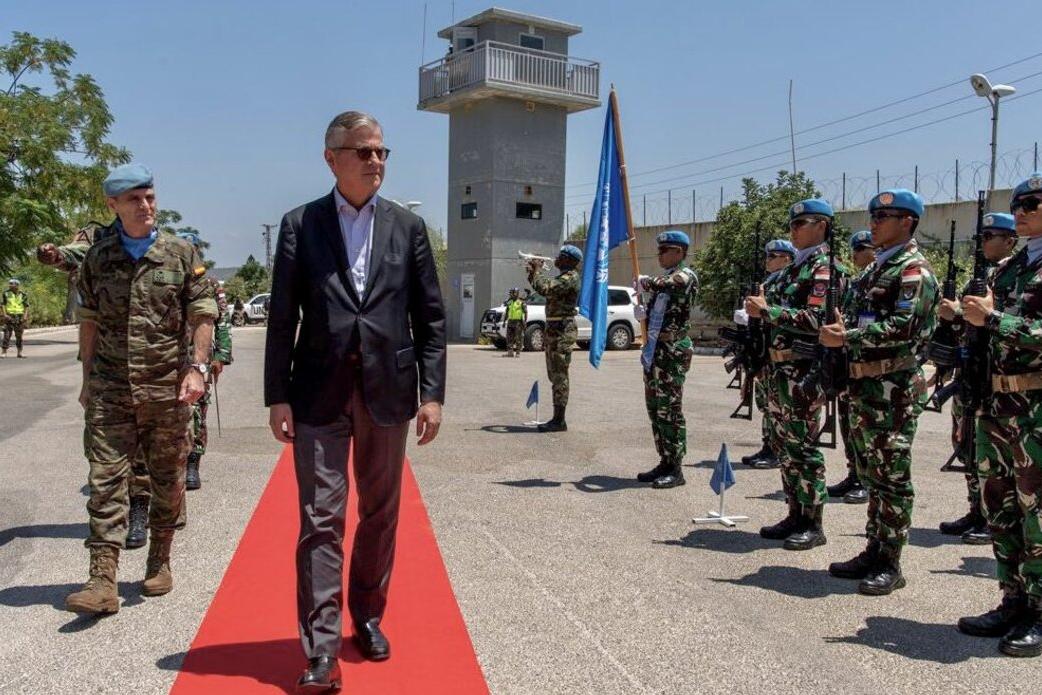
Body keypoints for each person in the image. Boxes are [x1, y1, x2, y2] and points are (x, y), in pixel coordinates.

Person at [264, 110, 446, 693]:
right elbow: (280, 317)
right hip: (317, 393)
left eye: (382, 152)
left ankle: (366, 616)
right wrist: (277, 395)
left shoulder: (408, 228)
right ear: (331, 157)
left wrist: (433, 393)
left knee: (380, 513)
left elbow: (431, 317)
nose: (375, 161)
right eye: (363, 151)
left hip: (388, 393)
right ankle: (319, 650)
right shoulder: (300, 225)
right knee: (320, 521)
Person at [65, 163, 216, 614]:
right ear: (113, 205)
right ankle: (102, 580)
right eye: (134, 199)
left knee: (167, 478)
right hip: (111, 388)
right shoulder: (98, 258)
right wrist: (87, 379)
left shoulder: (181, 253)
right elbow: (88, 322)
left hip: (167, 390)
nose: (146, 205)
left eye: (149, 196)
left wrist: (198, 368)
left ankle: (159, 560)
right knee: (105, 480)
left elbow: (203, 314)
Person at [821, 189, 938, 596]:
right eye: (873, 214)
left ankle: (891, 561)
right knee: (872, 472)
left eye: (885, 215)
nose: (874, 221)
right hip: (865, 386)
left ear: (908, 222)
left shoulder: (913, 271)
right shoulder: (873, 271)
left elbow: (903, 328)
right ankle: (874, 548)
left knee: (892, 476)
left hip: (893, 389)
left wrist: (847, 336)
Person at [958, 174, 1042, 657]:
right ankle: (1013, 598)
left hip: (1035, 409)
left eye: (1032, 203)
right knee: (1001, 505)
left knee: (1038, 511)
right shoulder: (1010, 269)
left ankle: (1039, 608)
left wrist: (992, 319)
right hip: (997, 404)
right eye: (1018, 204)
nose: (1022, 211)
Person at [38, 223, 152, 549]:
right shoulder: (99, 250)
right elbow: (70, 255)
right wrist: (52, 254)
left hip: (147, 364)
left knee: (142, 446)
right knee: (102, 445)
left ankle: (139, 510)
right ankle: (109, 518)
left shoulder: (157, 251)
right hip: (104, 364)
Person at [746, 199, 845, 551]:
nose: (793, 230)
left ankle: (813, 521)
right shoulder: (790, 270)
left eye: (800, 223)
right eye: (792, 224)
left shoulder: (824, 269)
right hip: (777, 369)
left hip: (801, 371)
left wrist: (769, 310)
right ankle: (794, 512)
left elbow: (818, 320)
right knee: (785, 447)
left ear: (821, 226)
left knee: (803, 446)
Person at [937, 213, 1017, 545]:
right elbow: (969, 331)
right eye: (981, 237)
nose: (983, 243)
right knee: (968, 445)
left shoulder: (1016, 278)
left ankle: (991, 517)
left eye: (991, 236)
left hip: (999, 379)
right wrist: (954, 317)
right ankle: (976, 510)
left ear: (1009, 240)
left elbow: (1007, 325)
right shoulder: (984, 279)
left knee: (1000, 459)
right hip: (971, 373)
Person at [634, 230, 699, 488]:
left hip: (672, 352)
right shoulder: (661, 284)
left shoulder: (685, 276)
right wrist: (643, 315)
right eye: (659, 250)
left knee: (670, 410)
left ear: (679, 252)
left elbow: (675, 283)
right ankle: (664, 459)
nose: (659, 254)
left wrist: (646, 282)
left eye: (664, 250)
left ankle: (676, 467)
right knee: (655, 408)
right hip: (655, 351)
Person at [175, 231, 233, 491]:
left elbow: (222, 324)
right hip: (170, 357)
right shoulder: (170, 278)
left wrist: (221, 355)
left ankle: (192, 464)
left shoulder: (209, 284)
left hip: (199, 358)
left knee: (197, 411)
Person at [826, 230, 876, 504]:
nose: (855, 255)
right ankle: (854, 473)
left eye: (860, 250)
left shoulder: (876, 279)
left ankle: (866, 481)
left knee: (865, 427)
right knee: (849, 423)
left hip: (869, 362)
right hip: (850, 361)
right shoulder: (856, 281)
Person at [742, 238, 796, 469]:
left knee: (778, 407)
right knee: (766, 403)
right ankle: (769, 445)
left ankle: (777, 449)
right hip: (764, 350)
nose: (768, 260)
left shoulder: (786, 283)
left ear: (787, 259)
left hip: (779, 352)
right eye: (768, 256)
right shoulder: (768, 283)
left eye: (773, 256)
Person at [527, 245, 582, 432]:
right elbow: (542, 287)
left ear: (569, 260)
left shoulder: (570, 278)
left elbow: (545, 288)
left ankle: (559, 420)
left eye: (561, 256)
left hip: (562, 331)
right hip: (553, 328)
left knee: (560, 375)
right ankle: (557, 418)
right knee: (553, 374)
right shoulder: (562, 277)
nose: (557, 258)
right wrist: (532, 273)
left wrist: (538, 271)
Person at [1, 278, 30, 358]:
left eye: (12, 285)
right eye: (10, 285)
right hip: (9, 316)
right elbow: (3, 304)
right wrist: (4, 314)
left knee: (19, 335)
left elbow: (26, 306)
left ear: (17, 286)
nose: (11, 287)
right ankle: (4, 352)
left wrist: (25, 316)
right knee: (7, 334)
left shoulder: (23, 295)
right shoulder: (6, 293)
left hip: (19, 316)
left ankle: (19, 352)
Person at [503, 287, 527, 357]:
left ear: (516, 293)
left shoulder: (521, 302)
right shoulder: (510, 302)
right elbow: (507, 312)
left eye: (512, 293)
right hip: (510, 321)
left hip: (518, 322)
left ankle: (518, 352)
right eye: (510, 293)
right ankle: (510, 352)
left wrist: (525, 322)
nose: (511, 295)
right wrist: (504, 321)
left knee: (518, 338)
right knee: (509, 338)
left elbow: (526, 312)